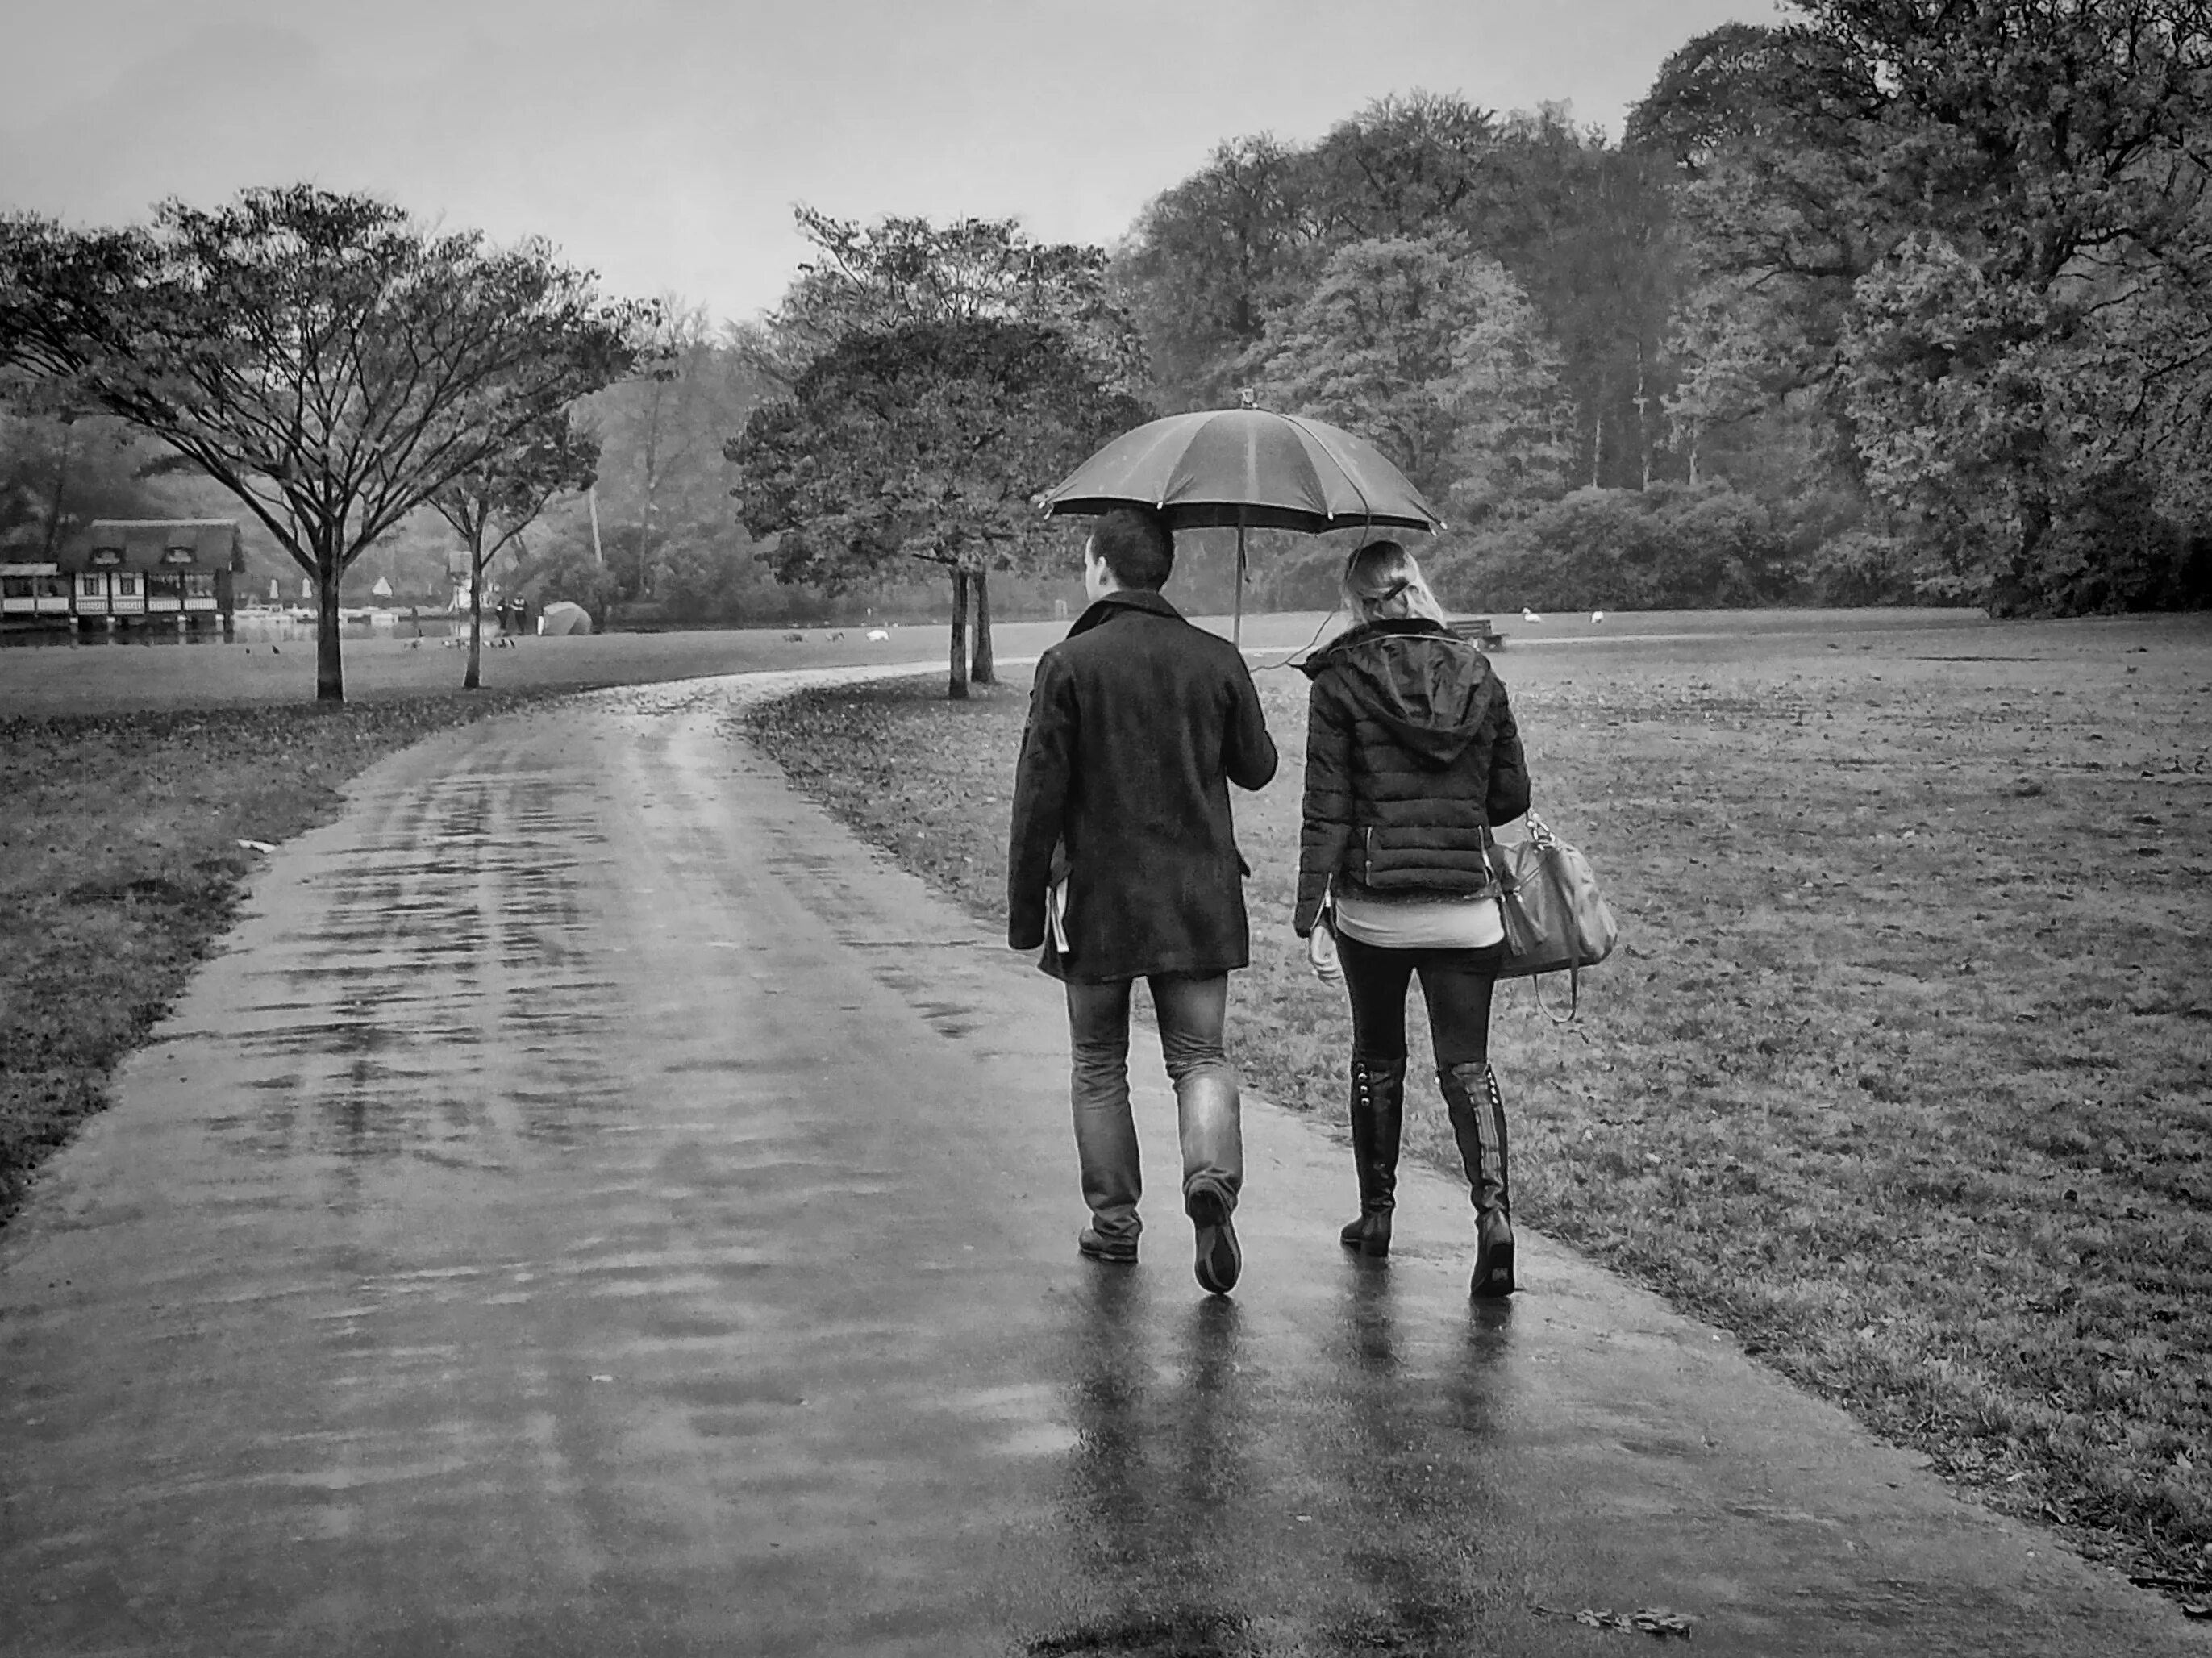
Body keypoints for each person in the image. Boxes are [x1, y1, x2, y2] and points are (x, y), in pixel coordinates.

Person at [1007, 506, 1279, 1295]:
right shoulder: (1214, 656)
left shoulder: (1068, 663)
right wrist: (1232, 687)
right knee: (1198, 1056)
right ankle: (1210, 1180)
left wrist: (1028, 911)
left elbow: (1038, 800)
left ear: (1101, 568)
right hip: (1196, 894)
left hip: (1098, 897)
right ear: (1161, 571)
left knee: (1098, 1062)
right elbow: (1256, 767)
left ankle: (1115, 1224)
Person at [1293, 540, 1531, 1298]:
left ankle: (1377, 1214)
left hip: (1376, 909)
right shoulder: (1478, 673)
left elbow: (1326, 808)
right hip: (1466, 907)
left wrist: (1311, 914)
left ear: (1357, 602)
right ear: (1418, 589)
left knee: (1377, 1057)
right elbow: (1509, 798)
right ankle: (1493, 1218)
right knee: (1467, 1065)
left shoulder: (1337, 683)